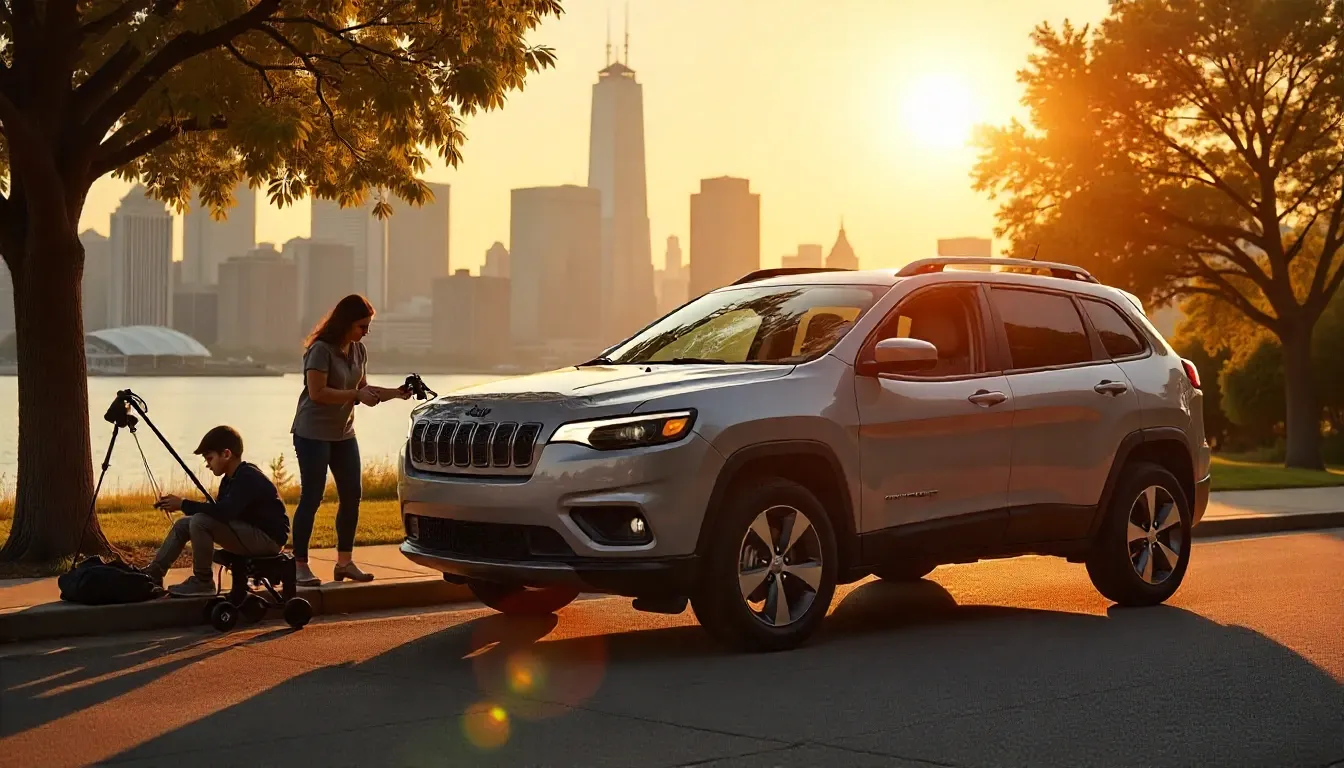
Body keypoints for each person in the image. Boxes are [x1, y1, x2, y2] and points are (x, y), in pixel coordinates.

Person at [290, 294, 409, 586]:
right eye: (361, 325)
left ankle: (344, 563)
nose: (366, 331)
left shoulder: (358, 350)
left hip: (343, 434)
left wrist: (397, 392)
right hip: (312, 433)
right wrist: (355, 395)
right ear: (345, 323)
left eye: (368, 325)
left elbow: (364, 387)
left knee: (352, 496)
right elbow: (318, 393)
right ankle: (299, 565)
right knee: (312, 497)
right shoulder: (320, 351)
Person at [143, 426, 291, 597]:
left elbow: (224, 512)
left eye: (210, 458)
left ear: (226, 454)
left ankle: (203, 581)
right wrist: (182, 506)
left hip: (268, 540)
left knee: (200, 521)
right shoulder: (229, 480)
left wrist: (183, 504)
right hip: (249, 533)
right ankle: (153, 574)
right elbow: (219, 512)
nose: (207, 465)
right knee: (184, 523)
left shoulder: (247, 477)